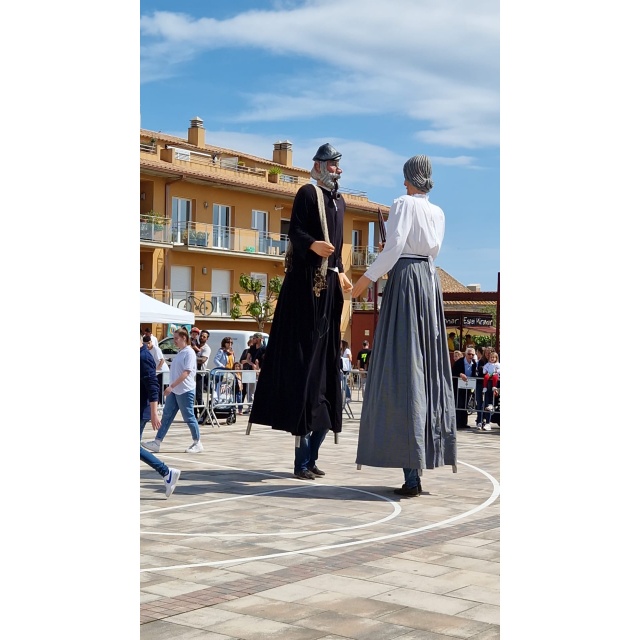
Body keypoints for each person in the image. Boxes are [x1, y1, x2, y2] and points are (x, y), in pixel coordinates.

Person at [351, 155, 457, 496]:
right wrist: (397, 251)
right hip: (429, 282)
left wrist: (363, 282)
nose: (403, 183)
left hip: (406, 282)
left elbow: (396, 248)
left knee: (402, 371)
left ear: (411, 178)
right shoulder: (438, 212)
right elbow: (429, 249)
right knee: (427, 370)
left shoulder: (401, 204)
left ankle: (411, 475)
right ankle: (421, 463)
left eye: (405, 177)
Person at [249, 142, 353, 480]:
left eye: (338, 164)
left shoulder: (339, 202)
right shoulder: (307, 194)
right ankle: (300, 460)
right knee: (305, 370)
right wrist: (312, 245)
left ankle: (311, 456)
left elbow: (336, 252)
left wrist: (342, 273)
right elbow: (294, 231)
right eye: (333, 164)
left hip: (330, 287)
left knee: (326, 375)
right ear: (320, 165)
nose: (338, 169)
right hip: (306, 286)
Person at [142, 327, 204, 454]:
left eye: (176, 338)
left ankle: (197, 442)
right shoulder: (181, 352)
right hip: (176, 390)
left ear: (184, 338)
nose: (174, 341)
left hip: (185, 390)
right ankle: (157, 442)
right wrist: (172, 387)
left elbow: (186, 372)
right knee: (167, 415)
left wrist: (171, 386)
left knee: (189, 416)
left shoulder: (189, 352)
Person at [140, 335, 180, 497]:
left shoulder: (144, 357)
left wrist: (154, 412)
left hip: (141, 409)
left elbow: (153, 386)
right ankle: (166, 472)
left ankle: (166, 472)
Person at [451, 347, 480, 431]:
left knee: (465, 404)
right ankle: (457, 423)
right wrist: (460, 374)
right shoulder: (459, 362)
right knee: (459, 403)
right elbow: (453, 372)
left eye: (472, 354)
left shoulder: (474, 363)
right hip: (458, 386)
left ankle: (464, 423)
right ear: (465, 354)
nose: (470, 356)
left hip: (468, 386)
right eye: (469, 354)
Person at [143, 334, 169, 405]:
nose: (147, 345)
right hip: (156, 372)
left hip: (162, 371)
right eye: (145, 344)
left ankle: (162, 404)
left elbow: (162, 361)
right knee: (157, 389)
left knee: (160, 389)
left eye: (149, 343)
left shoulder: (156, 349)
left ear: (151, 342)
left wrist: (156, 371)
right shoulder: (146, 350)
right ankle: (158, 404)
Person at [195, 330, 211, 423]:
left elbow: (202, 360)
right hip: (192, 373)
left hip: (200, 374)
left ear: (207, 339)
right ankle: (194, 415)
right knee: (192, 396)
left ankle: (203, 415)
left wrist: (191, 358)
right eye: (201, 336)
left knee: (199, 396)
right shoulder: (195, 346)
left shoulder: (206, 348)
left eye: (204, 337)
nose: (201, 338)